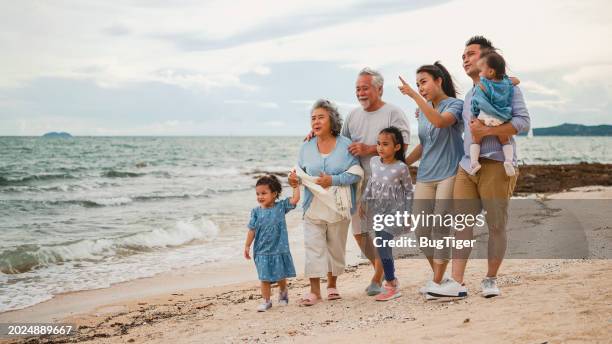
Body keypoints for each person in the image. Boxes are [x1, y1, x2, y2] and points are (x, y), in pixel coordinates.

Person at [428, 36, 530, 299]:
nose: (465, 59)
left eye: (470, 54)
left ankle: (490, 279)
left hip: (497, 164)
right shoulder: (470, 96)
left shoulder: (508, 88)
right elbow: (454, 123)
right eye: (462, 55)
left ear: (486, 59)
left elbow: (523, 123)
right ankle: (457, 283)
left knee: (496, 225)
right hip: (467, 166)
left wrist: (486, 131)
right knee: (461, 223)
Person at [342, 67, 411, 296]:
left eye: (365, 88)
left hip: (388, 187)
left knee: (382, 234)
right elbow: (341, 143)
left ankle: (379, 277)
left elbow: (404, 148)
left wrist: (369, 148)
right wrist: (315, 135)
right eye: (357, 89)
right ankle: (381, 271)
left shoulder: (394, 113)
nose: (360, 93)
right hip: (360, 183)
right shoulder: (352, 115)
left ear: (379, 89)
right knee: (360, 233)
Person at [398, 62, 464, 298]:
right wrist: (401, 164)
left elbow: (440, 121)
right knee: (421, 231)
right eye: (417, 85)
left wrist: (415, 97)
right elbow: (426, 145)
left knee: (440, 227)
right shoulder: (423, 112)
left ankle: (436, 282)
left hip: (449, 173)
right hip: (426, 176)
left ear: (439, 81)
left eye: (424, 82)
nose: (420, 87)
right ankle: (442, 278)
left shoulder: (456, 105)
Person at [289, 99, 362, 306]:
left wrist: (333, 180)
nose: (316, 121)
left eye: (321, 117)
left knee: (335, 248)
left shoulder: (346, 145)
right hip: (313, 207)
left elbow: (356, 173)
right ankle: (314, 291)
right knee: (313, 247)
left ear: (332, 120)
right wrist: (292, 180)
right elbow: (297, 173)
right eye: (313, 118)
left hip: (338, 207)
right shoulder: (306, 146)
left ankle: (332, 285)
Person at [360, 127, 413, 301]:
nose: (380, 148)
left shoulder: (401, 168)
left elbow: (409, 192)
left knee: (383, 247)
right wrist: (363, 201)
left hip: (394, 212)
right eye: (378, 144)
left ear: (397, 147)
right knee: (383, 247)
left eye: (385, 144)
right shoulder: (374, 161)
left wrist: (408, 214)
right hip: (377, 211)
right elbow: (371, 182)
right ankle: (392, 282)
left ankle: (391, 283)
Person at [244, 175, 300, 312]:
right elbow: (252, 229)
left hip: (279, 248)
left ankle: (283, 291)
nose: (260, 196)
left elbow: (295, 199)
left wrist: (295, 186)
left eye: (264, 193)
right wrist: (247, 245)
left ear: (274, 194)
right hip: (262, 250)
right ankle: (266, 301)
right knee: (264, 277)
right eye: (257, 194)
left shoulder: (280, 207)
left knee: (280, 275)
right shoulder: (256, 212)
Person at [470, 51, 520, 176]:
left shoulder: (483, 84)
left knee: (475, 138)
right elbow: (517, 80)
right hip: (501, 118)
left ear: (491, 72)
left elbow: (477, 102)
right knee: (504, 140)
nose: (480, 73)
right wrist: (507, 79)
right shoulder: (507, 83)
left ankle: (474, 162)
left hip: (485, 117)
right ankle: (508, 160)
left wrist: (474, 115)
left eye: (481, 70)